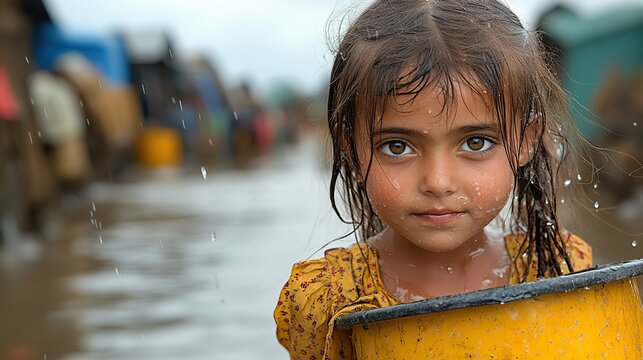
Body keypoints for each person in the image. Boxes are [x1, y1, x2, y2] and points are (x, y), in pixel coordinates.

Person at [274, 0, 593, 359]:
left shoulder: (559, 269)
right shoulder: (328, 299)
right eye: (397, 147)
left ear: (525, 140)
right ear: (349, 145)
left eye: (476, 142)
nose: (438, 182)